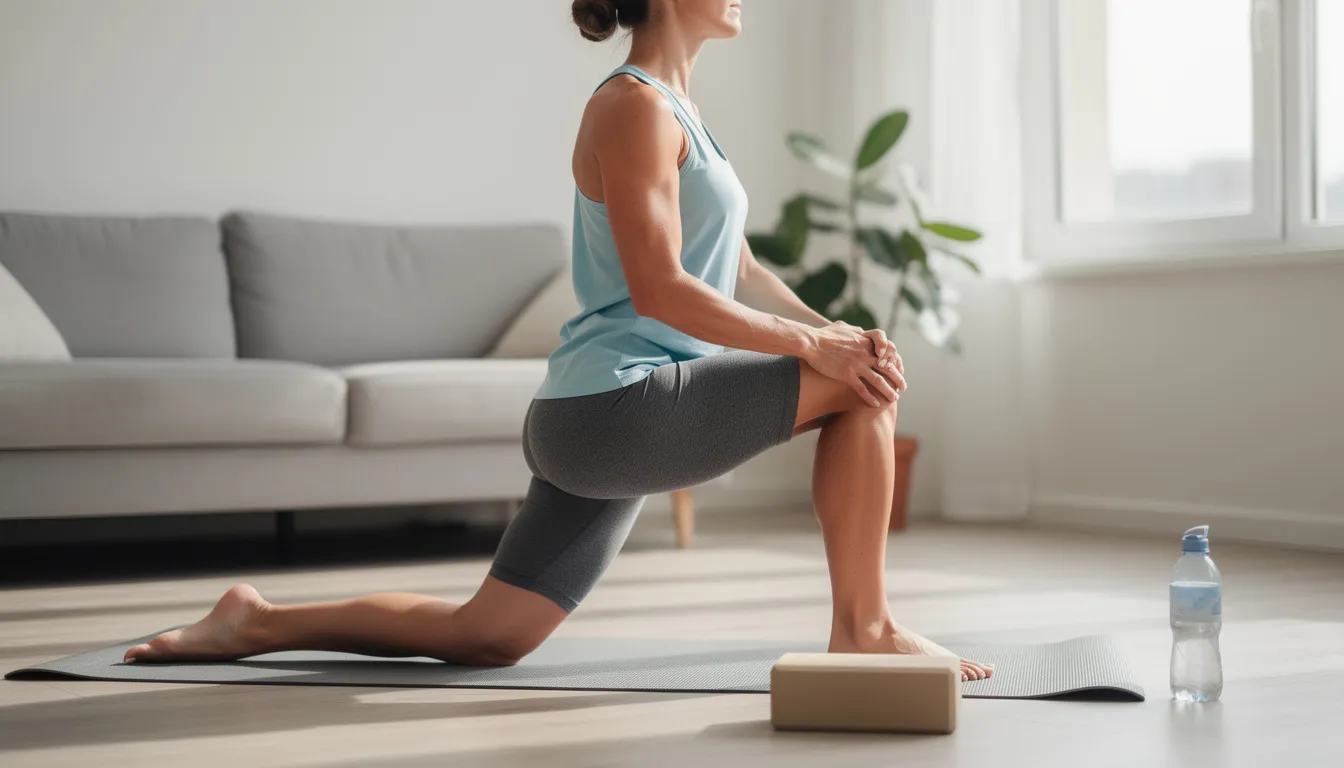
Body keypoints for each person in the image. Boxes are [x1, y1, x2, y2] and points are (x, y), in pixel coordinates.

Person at [124, 0, 992, 682]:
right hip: (616, 408)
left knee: (488, 635)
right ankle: (864, 631)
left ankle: (258, 620)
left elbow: (740, 264)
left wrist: (827, 330)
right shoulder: (631, 108)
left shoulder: (681, 111)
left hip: (600, 413)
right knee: (864, 381)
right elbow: (661, 287)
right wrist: (823, 355)